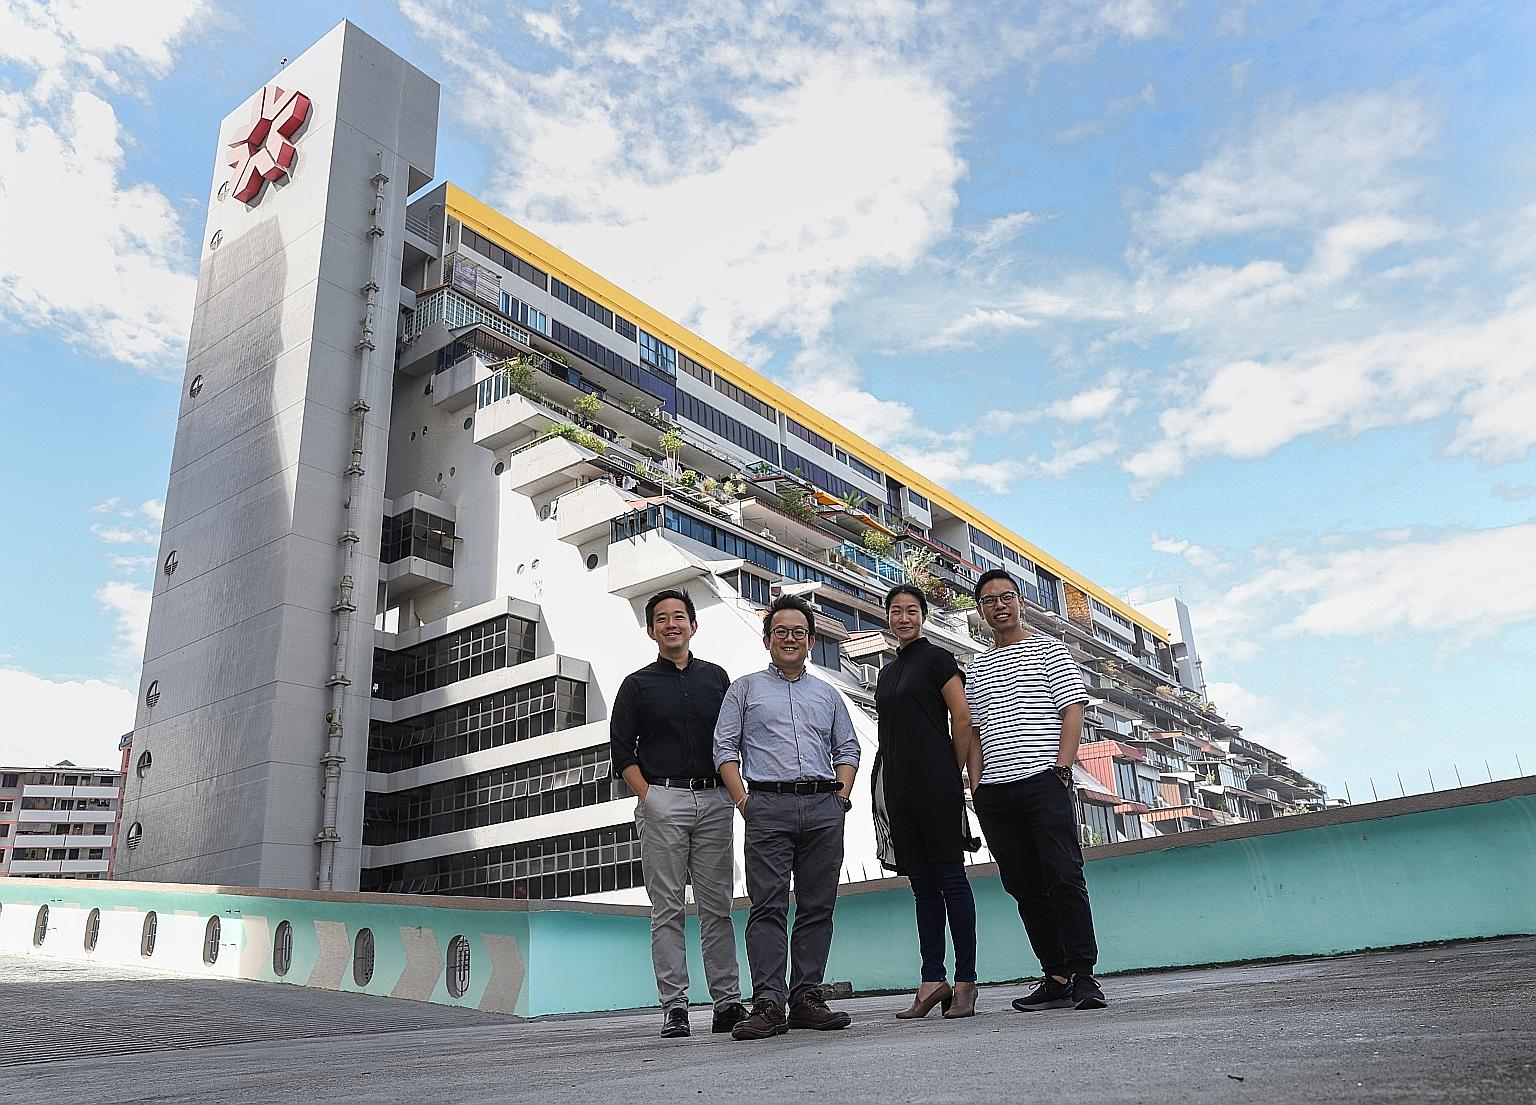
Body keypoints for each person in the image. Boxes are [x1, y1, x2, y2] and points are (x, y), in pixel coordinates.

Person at [714, 594, 861, 1041]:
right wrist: (745, 802)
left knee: (818, 906)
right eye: (781, 631)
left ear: (811, 640)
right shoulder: (744, 688)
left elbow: (848, 749)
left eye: (799, 631)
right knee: (768, 907)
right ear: (767, 639)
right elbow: (724, 750)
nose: (790, 638)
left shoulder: (828, 694)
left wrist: (840, 797)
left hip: (823, 806)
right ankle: (768, 1004)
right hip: (766, 806)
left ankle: (806, 999)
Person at [966, 569, 1108, 1011]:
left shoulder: (1050, 650)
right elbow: (972, 732)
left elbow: (1072, 711)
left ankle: (1084, 975)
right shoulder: (976, 666)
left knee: (1064, 877)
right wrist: (976, 786)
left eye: (1006, 597)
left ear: (1021, 601)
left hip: (1045, 782)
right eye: (989, 601)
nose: (999, 606)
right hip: (996, 793)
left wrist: (1062, 771)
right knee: (1024, 886)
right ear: (981, 610)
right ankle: (1056, 975)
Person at [610, 588, 747, 1038]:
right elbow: (621, 751)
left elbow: (732, 739)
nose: (672, 624)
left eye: (679, 616)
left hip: (714, 800)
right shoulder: (636, 685)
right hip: (662, 800)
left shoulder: (716, 679)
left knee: (718, 908)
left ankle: (728, 1004)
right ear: (650, 630)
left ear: (693, 624)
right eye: (662, 619)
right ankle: (675, 1007)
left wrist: (737, 795)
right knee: (666, 908)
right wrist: (649, 796)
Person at [875, 583, 981, 1019]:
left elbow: (962, 716)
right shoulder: (885, 672)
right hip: (898, 788)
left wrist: (951, 770)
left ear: (923, 615)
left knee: (951, 879)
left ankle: (966, 983)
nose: (904, 618)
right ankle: (932, 978)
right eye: (896, 611)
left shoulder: (938, 659)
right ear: (888, 617)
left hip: (936, 782)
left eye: (912, 610)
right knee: (921, 886)